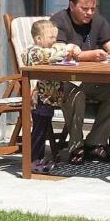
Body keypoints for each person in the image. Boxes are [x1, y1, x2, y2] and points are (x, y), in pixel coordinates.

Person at [50, 0, 110, 162]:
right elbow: (59, 53)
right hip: (62, 84)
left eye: (93, 8)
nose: (90, 13)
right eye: (85, 8)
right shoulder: (59, 21)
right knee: (73, 90)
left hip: (90, 82)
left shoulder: (98, 21)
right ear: (71, 5)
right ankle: (76, 146)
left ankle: (94, 142)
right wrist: (88, 56)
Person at [22, 18, 86, 166]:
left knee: (43, 129)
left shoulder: (49, 52)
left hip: (50, 99)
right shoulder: (33, 52)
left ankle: (38, 159)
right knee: (38, 132)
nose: (54, 41)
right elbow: (48, 55)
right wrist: (66, 48)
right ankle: (33, 161)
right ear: (38, 38)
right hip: (38, 98)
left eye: (55, 38)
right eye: (51, 38)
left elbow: (55, 58)